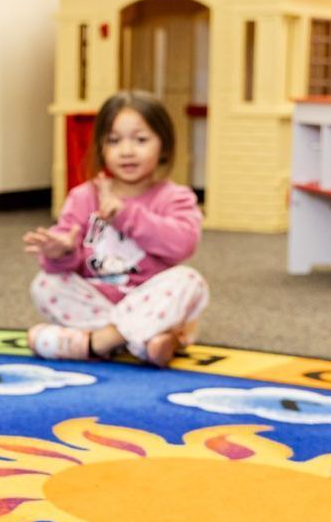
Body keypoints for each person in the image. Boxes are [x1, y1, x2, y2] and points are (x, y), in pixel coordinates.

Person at [24, 89, 208, 367]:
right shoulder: (83, 197)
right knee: (44, 283)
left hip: (148, 301)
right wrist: (60, 252)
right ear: (101, 147)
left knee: (189, 281)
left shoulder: (175, 197)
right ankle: (146, 338)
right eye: (114, 140)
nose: (127, 151)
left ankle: (97, 342)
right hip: (98, 300)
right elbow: (63, 262)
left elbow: (182, 245)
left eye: (141, 140)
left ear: (164, 146)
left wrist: (126, 214)